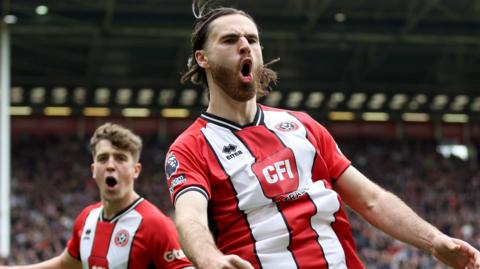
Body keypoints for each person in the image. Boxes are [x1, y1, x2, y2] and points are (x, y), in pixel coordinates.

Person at [164, 1, 480, 269]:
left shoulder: (303, 126)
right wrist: (211, 261)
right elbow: (190, 219)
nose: (245, 45)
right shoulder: (190, 148)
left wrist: (435, 241)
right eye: (230, 39)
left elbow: (372, 200)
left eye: (252, 39)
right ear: (202, 58)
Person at [2, 123, 193, 269]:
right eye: (103, 158)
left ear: (135, 170)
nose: (110, 165)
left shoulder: (156, 225)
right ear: (94, 170)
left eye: (120, 158)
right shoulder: (86, 219)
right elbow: (65, 265)